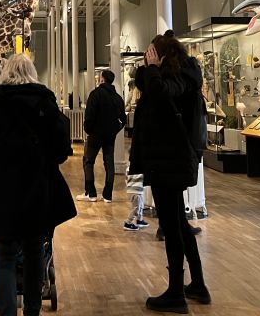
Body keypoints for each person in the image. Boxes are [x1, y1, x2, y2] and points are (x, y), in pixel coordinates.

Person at [0, 54, 76, 316]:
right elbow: (62, 148)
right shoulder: (45, 99)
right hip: (37, 186)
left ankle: (6, 311)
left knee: (4, 252)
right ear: (32, 71)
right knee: (34, 250)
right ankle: (32, 310)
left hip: (3, 187)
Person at [130, 30, 211, 312]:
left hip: (171, 161)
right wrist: (148, 69)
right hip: (168, 160)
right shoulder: (171, 76)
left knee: (173, 227)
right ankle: (198, 285)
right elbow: (147, 87)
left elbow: (160, 93)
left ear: (162, 55)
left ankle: (176, 292)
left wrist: (152, 68)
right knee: (179, 224)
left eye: (152, 53)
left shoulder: (180, 78)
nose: (148, 58)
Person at [77, 69, 126, 203]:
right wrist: (115, 129)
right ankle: (107, 195)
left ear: (102, 79)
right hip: (110, 136)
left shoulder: (95, 94)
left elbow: (89, 115)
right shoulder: (117, 98)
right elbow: (123, 118)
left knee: (88, 161)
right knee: (109, 162)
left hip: (95, 135)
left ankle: (91, 193)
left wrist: (88, 129)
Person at [123, 167, 149, 231]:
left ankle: (140, 220)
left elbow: (126, 179)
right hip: (137, 191)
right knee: (136, 208)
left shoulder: (128, 168)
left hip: (131, 190)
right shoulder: (142, 169)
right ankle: (128, 222)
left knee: (140, 206)